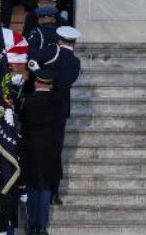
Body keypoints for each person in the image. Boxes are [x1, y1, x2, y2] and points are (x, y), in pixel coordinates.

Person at [19, 68, 63, 235]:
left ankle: (32, 225)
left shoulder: (27, 101)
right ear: (50, 85)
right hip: (50, 148)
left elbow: (22, 121)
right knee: (45, 188)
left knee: (32, 187)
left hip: (30, 148)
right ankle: (42, 226)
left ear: (36, 83)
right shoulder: (58, 102)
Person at [49, 26, 81, 205]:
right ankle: (54, 191)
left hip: (43, 106)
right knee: (56, 150)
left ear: (59, 40)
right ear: (74, 43)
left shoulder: (51, 55)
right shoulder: (75, 62)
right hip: (61, 108)